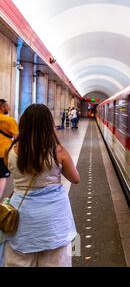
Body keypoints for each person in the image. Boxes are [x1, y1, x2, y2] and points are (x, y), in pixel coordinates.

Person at [3, 104, 80, 267]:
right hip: (54, 220)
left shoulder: (10, 151)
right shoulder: (57, 152)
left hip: (21, 218)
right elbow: (75, 178)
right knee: (57, 259)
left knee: (18, 260)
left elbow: (13, 171)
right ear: (49, 125)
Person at [0, 99, 18, 198]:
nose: (9, 108)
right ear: (2, 107)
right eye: (7, 106)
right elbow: (17, 137)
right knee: (2, 177)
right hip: (3, 153)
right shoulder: (9, 120)